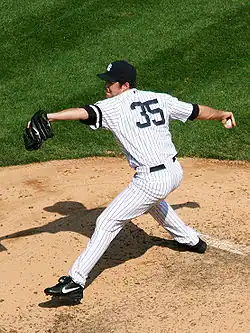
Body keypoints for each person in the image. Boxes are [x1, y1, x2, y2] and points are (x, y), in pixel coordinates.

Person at [42, 60, 236, 302]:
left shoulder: (113, 107)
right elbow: (197, 111)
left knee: (107, 221)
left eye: (110, 82)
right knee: (152, 201)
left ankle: (75, 281)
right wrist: (223, 115)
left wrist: (52, 116)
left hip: (151, 179)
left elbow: (86, 112)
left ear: (124, 85)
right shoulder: (160, 98)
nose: (106, 86)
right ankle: (190, 240)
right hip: (174, 171)